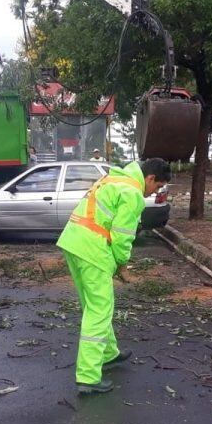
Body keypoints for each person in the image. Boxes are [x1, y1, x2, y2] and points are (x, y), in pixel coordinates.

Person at [57, 158, 171, 394]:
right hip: (92, 248)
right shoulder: (132, 194)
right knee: (99, 310)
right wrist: (122, 264)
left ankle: (108, 354)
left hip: (74, 240)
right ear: (150, 178)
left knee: (94, 305)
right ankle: (88, 377)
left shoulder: (115, 177)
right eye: (157, 187)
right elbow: (122, 235)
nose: (154, 192)